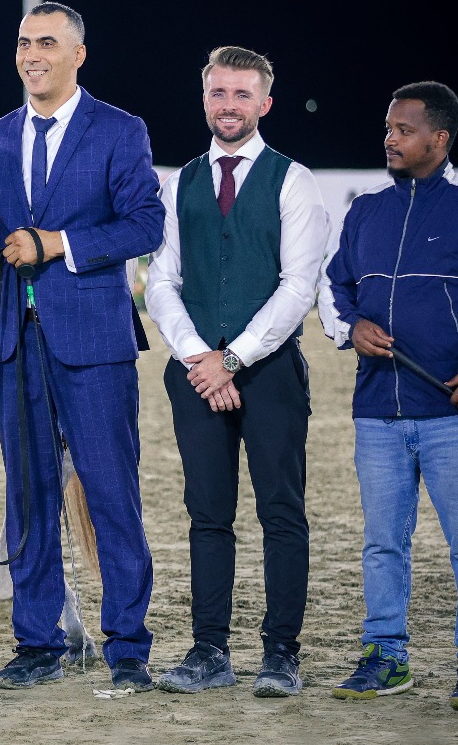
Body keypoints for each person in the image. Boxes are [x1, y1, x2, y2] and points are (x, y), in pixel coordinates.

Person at [0, 2, 164, 692]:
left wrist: (57, 245)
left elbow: (145, 222)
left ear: (79, 54)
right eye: (23, 43)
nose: (31, 54)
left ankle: (129, 646)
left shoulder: (120, 130)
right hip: (14, 341)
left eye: (46, 43)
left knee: (110, 492)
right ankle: (36, 641)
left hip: (95, 344)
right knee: (28, 496)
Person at [319, 81, 458, 711]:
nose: (390, 138)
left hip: (456, 415)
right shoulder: (365, 211)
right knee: (382, 542)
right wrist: (351, 329)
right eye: (388, 128)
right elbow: (333, 290)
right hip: (378, 415)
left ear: (439, 139)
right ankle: (386, 656)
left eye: (404, 129)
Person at [144, 45, 328, 698]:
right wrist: (200, 355)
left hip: (270, 372)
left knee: (282, 512)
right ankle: (209, 650)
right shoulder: (180, 181)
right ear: (205, 98)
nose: (229, 105)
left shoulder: (295, 181)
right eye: (219, 93)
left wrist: (234, 357)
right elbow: (160, 280)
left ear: (265, 103)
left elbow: (297, 285)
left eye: (242, 94)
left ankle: (281, 653)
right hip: (197, 374)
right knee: (207, 514)